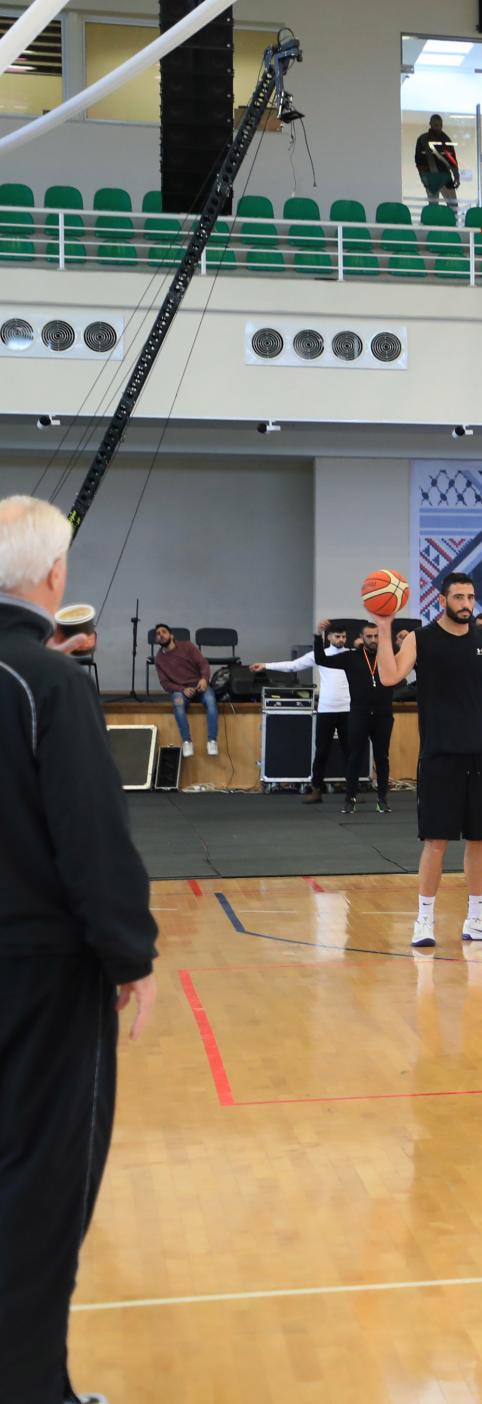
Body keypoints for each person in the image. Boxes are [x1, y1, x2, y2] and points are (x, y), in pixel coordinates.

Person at [0, 495, 157, 1404]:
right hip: (39, 975)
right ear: (54, 578)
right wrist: (128, 955)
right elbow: (92, 839)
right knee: (40, 1183)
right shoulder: (46, 685)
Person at [377, 572, 482, 948]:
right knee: (436, 840)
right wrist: (383, 623)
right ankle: (423, 920)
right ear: (442, 600)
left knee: (481, 838)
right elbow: (389, 676)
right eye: (458, 597)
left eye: (471, 597)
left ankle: (476, 918)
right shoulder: (420, 639)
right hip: (440, 754)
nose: (466, 604)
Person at [253, 620, 356, 804]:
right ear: (329, 637)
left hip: (348, 709)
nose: (341, 640)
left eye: (344, 637)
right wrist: (266, 665)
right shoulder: (320, 654)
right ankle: (316, 790)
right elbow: (293, 666)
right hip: (326, 710)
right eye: (337, 636)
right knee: (322, 751)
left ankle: (352, 793)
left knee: (350, 751)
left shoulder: (351, 655)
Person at [301, 619, 397, 814]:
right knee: (354, 757)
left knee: (382, 757)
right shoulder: (350, 657)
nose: (373, 640)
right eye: (369, 636)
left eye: (376, 636)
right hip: (359, 714)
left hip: (383, 715)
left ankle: (382, 799)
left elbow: (411, 662)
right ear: (361, 638)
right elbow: (322, 660)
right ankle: (350, 798)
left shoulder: (389, 656)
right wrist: (318, 636)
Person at [151, 621, 217, 758]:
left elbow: (203, 664)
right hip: (182, 690)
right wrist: (182, 689)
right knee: (178, 703)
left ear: (171, 635)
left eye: (163, 632)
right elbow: (165, 683)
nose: (160, 635)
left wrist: (204, 678)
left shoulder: (187, 646)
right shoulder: (159, 659)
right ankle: (187, 742)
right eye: (158, 634)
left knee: (211, 700)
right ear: (156, 639)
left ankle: (212, 740)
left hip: (200, 686)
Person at [415, 114, 460, 206]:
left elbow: (452, 159)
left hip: (445, 177)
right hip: (431, 177)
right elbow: (418, 160)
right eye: (436, 125)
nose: (438, 128)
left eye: (440, 125)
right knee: (433, 206)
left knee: (453, 206)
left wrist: (456, 175)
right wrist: (424, 177)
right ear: (430, 124)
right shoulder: (423, 139)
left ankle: (452, 221)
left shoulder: (445, 139)